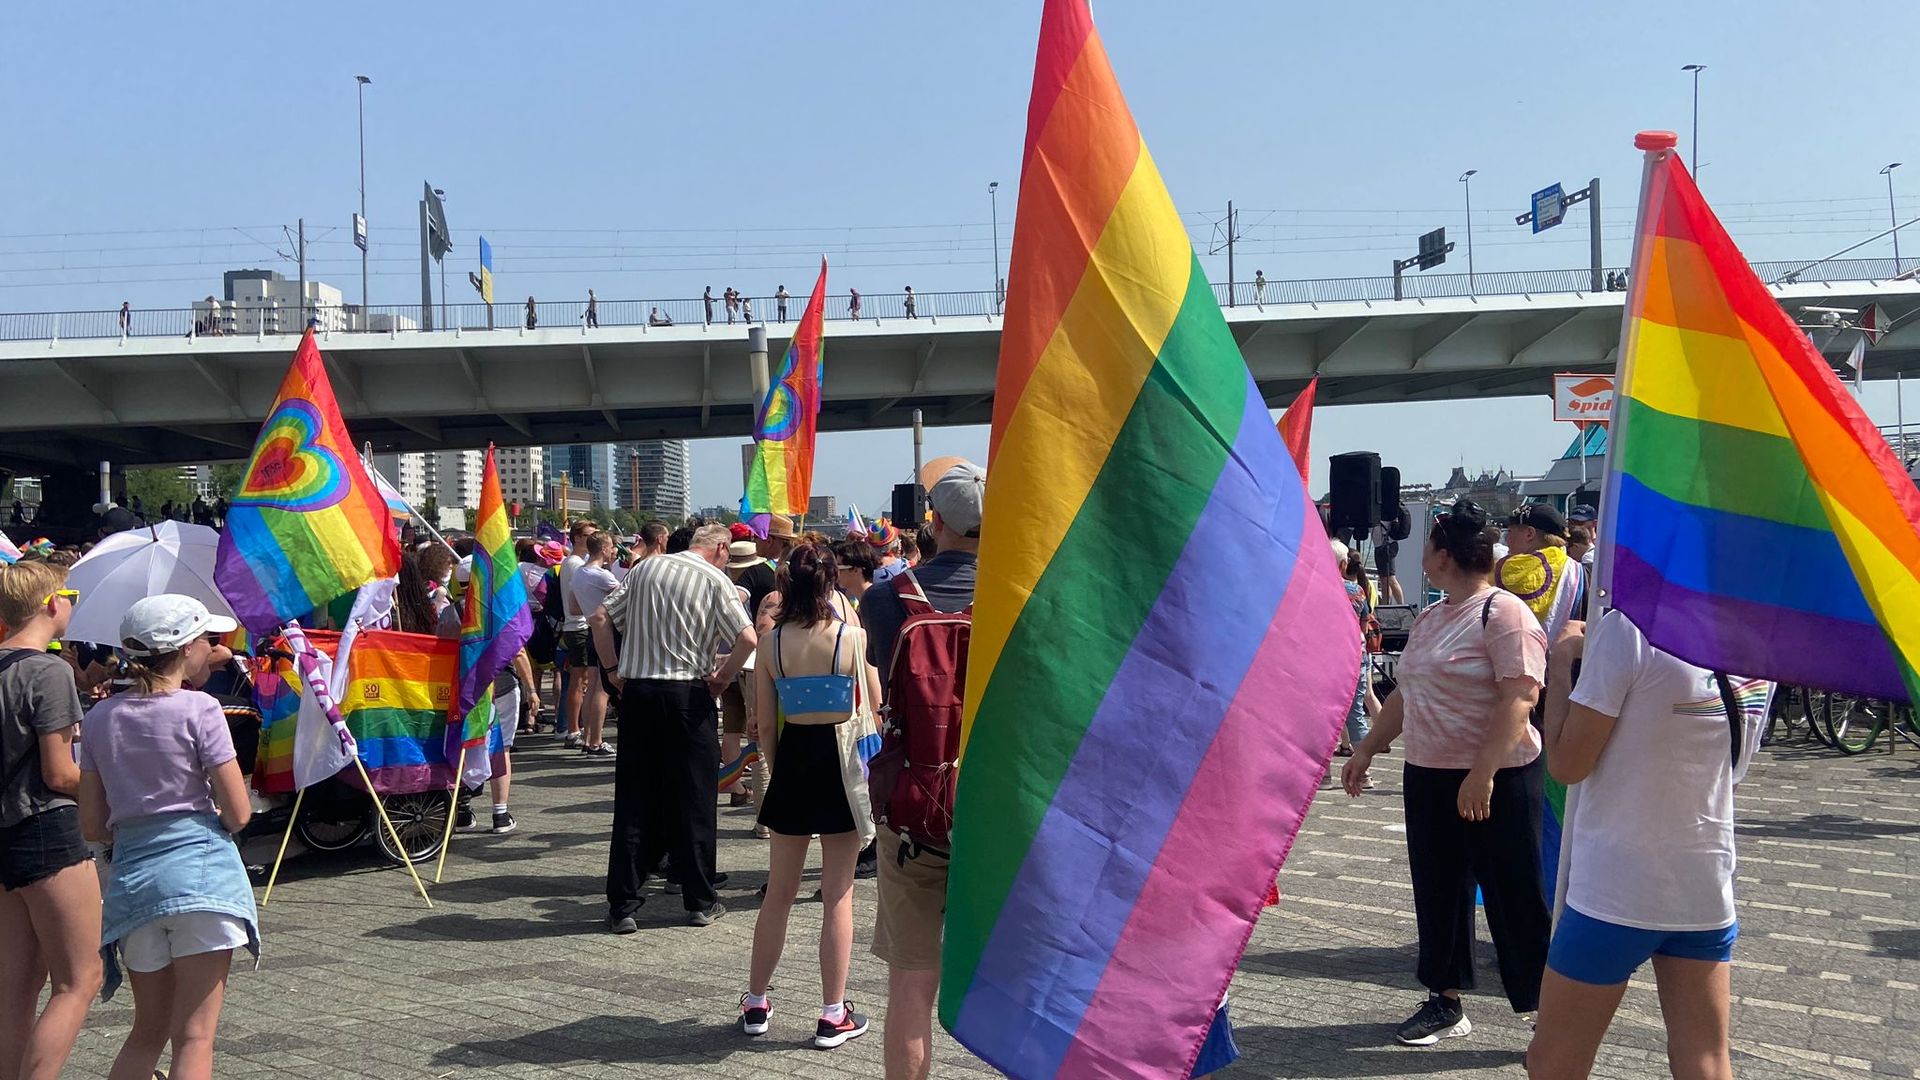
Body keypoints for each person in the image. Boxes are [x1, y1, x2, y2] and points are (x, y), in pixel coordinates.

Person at [1341, 499, 1550, 1047]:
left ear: (1444, 555)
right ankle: (1446, 1000)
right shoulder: (1433, 616)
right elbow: (1406, 693)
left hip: (1498, 777)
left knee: (1514, 894)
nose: (1424, 555)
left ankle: (1546, 1010)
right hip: (1430, 774)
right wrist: (1366, 749)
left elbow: (1519, 699)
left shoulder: (1503, 613)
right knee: (1438, 892)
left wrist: (1483, 773)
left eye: (1429, 547)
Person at [1524, 612, 1764, 1080]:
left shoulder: (1628, 628)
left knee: (1552, 1061)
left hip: (1615, 891)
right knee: (1706, 1060)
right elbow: (1733, 769)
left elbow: (1568, 764)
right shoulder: (1760, 645)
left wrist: (1561, 662)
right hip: (1705, 885)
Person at [77, 595, 257, 1080]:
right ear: (185, 649)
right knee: (195, 1038)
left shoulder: (98, 719)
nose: (211, 649)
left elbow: (92, 826)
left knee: (146, 1032)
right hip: (201, 877)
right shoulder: (202, 708)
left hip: (133, 884)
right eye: (206, 640)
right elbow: (238, 812)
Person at [861, 461, 984, 1080]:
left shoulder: (886, 598)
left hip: (916, 810)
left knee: (911, 983)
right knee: (1029, 984)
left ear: (933, 521)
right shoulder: (1027, 592)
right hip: (1004, 814)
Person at [737, 542, 879, 1049]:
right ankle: (831, 1013)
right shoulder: (851, 637)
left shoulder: (770, 644)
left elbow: (766, 727)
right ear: (829, 583)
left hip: (793, 762)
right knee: (838, 894)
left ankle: (756, 1002)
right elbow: (870, 708)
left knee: (779, 891)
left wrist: (778, 776)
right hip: (839, 766)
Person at [590, 523, 754, 932]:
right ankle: (699, 899)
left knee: (634, 799)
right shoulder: (715, 578)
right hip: (688, 693)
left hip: (640, 691)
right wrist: (723, 677)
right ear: (720, 548)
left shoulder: (646, 568)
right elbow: (748, 639)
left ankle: (623, 904)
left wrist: (612, 671)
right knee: (695, 799)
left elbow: (599, 617)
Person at [0, 562, 102, 1080]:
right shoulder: (48, 670)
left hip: (4, 837)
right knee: (79, 980)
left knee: (15, 988)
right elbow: (61, 774)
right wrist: (113, 787)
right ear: (50, 603)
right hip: (46, 829)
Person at [723, 540, 778, 806]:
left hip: (723, 659)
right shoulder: (763, 575)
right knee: (760, 732)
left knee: (732, 729)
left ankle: (735, 786)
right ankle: (764, 811)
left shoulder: (719, 576)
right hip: (752, 661)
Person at [566, 532, 621, 758]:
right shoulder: (602, 576)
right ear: (604, 548)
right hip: (607, 631)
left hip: (589, 628)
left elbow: (574, 607)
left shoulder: (579, 573)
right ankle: (596, 741)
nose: (614, 551)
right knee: (603, 688)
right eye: (612, 547)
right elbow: (628, 597)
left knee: (592, 684)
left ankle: (589, 738)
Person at [1500, 503, 1584, 645]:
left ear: (1529, 534)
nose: (1507, 540)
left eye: (1511, 532)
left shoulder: (1504, 570)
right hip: (1566, 662)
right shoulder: (1580, 573)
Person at [1332, 541, 1378, 785]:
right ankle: (1364, 774)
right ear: (1343, 564)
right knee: (1356, 713)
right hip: (1356, 655)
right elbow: (1364, 624)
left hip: (1328, 656)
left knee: (1322, 717)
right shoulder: (1357, 590)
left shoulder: (1320, 588)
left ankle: (1323, 775)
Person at [557, 521, 598, 749]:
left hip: (576, 625)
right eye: (590, 535)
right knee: (579, 680)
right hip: (578, 625)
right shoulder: (574, 564)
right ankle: (573, 729)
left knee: (580, 680)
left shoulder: (574, 562)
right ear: (578, 538)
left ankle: (575, 726)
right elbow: (577, 598)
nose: (593, 539)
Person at [1372, 504, 1408, 605]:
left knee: (1390, 578)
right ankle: (1386, 605)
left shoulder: (1385, 510)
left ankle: (1401, 605)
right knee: (1384, 579)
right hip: (1381, 546)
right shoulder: (1380, 509)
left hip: (1387, 545)